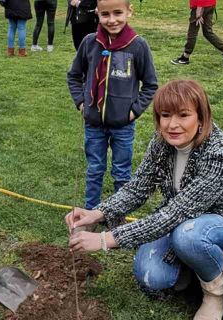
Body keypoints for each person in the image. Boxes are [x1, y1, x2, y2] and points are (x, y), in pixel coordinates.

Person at [66, 80, 223, 320]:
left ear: (201, 117)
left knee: (189, 236)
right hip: (181, 220)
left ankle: (216, 293)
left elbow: (175, 214)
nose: (173, 125)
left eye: (183, 115)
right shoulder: (162, 143)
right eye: (165, 115)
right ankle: (194, 270)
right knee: (150, 275)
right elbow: (137, 187)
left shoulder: (221, 151)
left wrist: (103, 239)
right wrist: (97, 213)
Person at [67, 0, 158, 210]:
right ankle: (90, 212)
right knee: (95, 168)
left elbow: (150, 84)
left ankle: (118, 213)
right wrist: (81, 103)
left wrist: (134, 112)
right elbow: (74, 75)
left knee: (121, 171)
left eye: (118, 13)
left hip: (123, 126)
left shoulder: (138, 45)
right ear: (98, 13)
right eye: (105, 14)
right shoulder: (89, 42)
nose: (112, 20)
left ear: (129, 11)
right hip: (93, 123)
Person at [170, 0, 223, 66]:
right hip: (209, 4)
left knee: (192, 33)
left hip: (201, 6)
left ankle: (185, 58)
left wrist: (199, 9)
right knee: (207, 32)